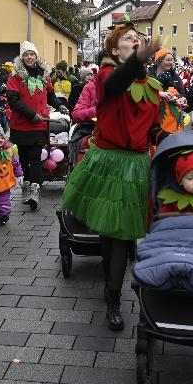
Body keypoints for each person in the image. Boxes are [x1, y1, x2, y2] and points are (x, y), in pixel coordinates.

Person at [62, 22, 163, 331]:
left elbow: (152, 127)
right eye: (128, 40)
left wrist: (169, 138)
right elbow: (118, 83)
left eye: (138, 39)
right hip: (107, 162)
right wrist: (137, 59)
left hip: (135, 165)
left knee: (119, 235)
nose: (135, 42)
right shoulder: (107, 76)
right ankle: (113, 293)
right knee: (112, 235)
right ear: (114, 50)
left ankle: (112, 288)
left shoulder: (151, 86)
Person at [6, 41, 59, 211]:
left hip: (39, 124)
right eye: (26, 54)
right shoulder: (15, 75)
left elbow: (50, 94)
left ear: (36, 56)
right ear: (22, 57)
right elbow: (12, 100)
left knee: (36, 156)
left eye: (32, 54)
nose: (29, 57)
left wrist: (59, 105)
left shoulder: (44, 74)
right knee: (24, 156)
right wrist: (31, 114)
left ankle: (35, 191)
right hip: (21, 124)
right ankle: (27, 187)